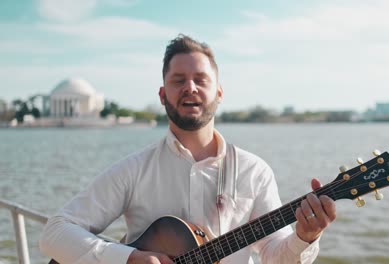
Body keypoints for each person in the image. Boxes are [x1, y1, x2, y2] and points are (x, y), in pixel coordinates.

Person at [39, 34, 336, 264]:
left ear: (218, 93)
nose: (190, 88)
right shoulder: (135, 169)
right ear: (162, 94)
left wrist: (305, 236)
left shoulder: (253, 171)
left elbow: (275, 256)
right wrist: (127, 258)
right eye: (178, 80)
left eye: (201, 80)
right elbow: (55, 232)